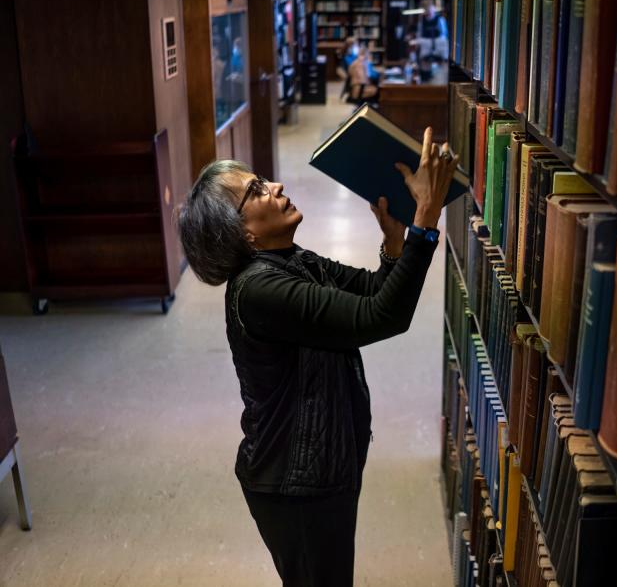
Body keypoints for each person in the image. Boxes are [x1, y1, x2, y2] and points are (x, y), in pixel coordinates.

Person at [176, 128, 459, 587]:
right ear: (242, 233)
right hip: (294, 482)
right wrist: (424, 222)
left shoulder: (293, 260)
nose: (276, 187)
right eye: (255, 191)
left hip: (320, 466)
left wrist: (393, 244)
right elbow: (381, 318)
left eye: (262, 179)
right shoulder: (260, 291)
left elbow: (369, 293)